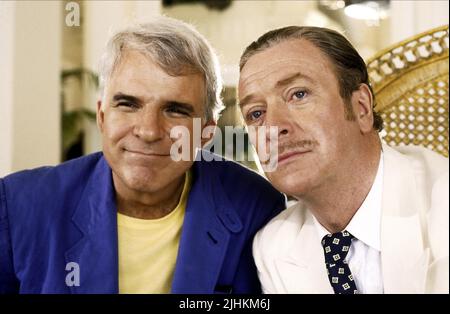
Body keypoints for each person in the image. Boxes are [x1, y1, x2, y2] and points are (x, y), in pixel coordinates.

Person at [0, 17, 285, 294]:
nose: (149, 131)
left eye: (175, 110)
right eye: (128, 104)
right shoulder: (18, 205)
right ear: (102, 116)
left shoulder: (254, 206)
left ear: (206, 133)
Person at [238, 26, 449, 294]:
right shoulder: (273, 246)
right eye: (256, 114)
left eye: (299, 94)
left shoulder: (443, 204)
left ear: (361, 107)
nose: (273, 127)